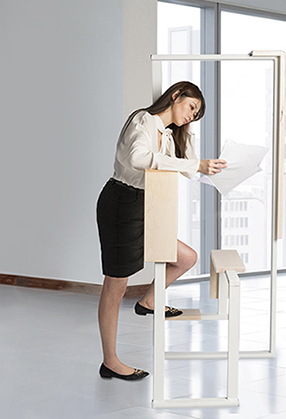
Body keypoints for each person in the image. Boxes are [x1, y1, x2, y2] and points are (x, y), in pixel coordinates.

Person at [96, 81, 226, 380]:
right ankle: (110, 361)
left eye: (197, 115)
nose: (192, 115)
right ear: (176, 94)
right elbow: (137, 159)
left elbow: (189, 167)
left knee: (186, 257)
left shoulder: (169, 135)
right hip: (122, 202)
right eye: (192, 107)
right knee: (115, 284)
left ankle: (149, 301)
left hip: (148, 202)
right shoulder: (143, 120)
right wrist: (190, 164)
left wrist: (188, 135)